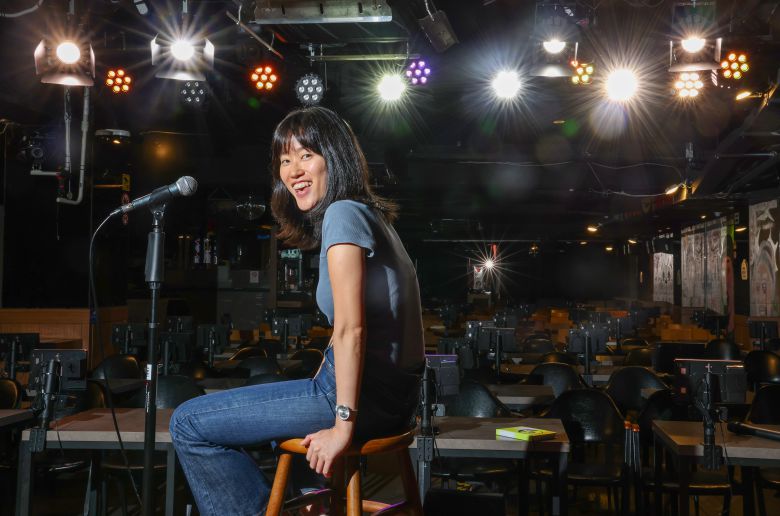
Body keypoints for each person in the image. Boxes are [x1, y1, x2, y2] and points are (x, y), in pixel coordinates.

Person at [170, 106, 425, 515]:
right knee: (271, 425)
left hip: (359, 401)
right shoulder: (373, 217)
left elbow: (351, 330)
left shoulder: (343, 213)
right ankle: (304, 500)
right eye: (285, 160)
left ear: (335, 158)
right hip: (397, 402)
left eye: (306, 155)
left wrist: (342, 426)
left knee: (186, 423)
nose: (293, 171)